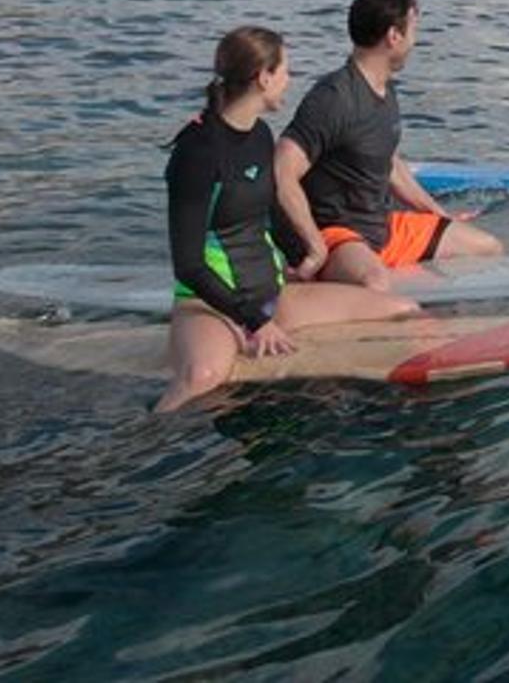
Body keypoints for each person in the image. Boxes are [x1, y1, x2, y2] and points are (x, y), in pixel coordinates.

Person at [158, 25, 420, 412]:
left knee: (402, 311)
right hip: (212, 306)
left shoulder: (260, 135)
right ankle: (153, 445)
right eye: (285, 71)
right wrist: (253, 322)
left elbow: (274, 215)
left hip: (272, 295)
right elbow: (189, 265)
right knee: (202, 379)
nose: (289, 81)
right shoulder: (197, 153)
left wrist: (307, 260)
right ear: (264, 78)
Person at [274, 0, 503, 290]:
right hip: (337, 235)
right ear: (394, 36)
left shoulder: (385, 88)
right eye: (413, 30)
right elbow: (282, 170)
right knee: (376, 282)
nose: (414, 41)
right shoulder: (334, 97)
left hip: (382, 227)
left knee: (488, 248)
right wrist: (315, 248)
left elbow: (389, 163)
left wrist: (437, 213)